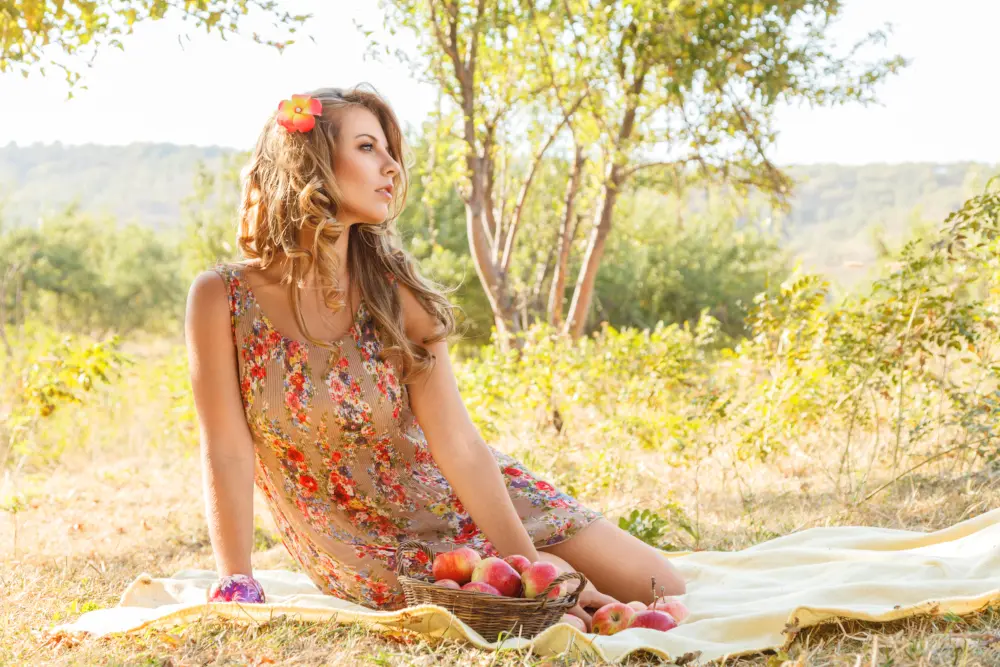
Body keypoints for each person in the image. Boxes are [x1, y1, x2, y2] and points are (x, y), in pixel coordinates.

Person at [184, 85, 685, 630]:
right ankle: (548, 584)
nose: (391, 167)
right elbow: (226, 450)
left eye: (390, 151)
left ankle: (544, 570)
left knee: (659, 585)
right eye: (368, 147)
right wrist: (237, 577)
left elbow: (458, 444)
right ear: (311, 162)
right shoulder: (222, 297)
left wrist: (527, 568)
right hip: (363, 537)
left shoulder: (394, 291)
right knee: (558, 619)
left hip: (454, 489)